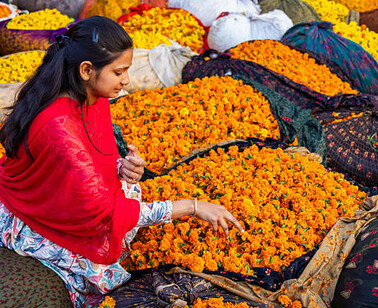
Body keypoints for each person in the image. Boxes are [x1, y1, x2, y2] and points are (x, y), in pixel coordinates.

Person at [0, 16, 244, 307]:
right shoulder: (59, 127)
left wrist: (119, 167)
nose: (127, 80)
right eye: (119, 72)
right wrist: (192, 207)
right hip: (32, 212)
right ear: (87, 70)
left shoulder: (94, 98)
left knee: (128, 195)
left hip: (63, 191)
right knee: (100, 273)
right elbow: (104, 211)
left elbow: (91, 158)